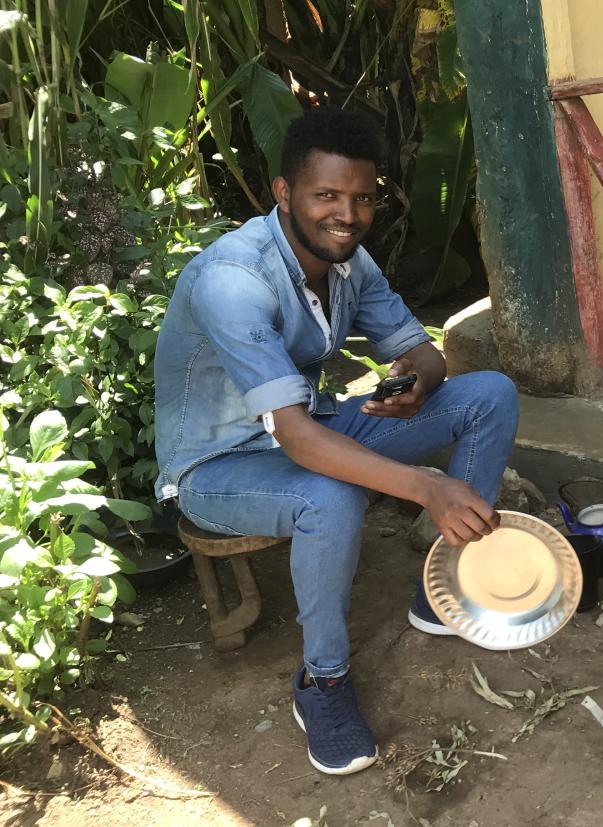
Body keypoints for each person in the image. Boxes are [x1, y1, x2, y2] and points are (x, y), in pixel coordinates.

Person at [153, 107, 518, 776]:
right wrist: (426, 485)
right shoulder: (232, 279)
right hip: (219, 465)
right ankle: (322, 682)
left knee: (488, 393)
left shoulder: (349, 262)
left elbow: (418, 348)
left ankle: (443, 587)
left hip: (313, 425)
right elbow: (291, 438)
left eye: (362, 198)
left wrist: (418, 376)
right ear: (284, 193)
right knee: (329, 496)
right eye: (326, 196)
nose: (345, 214)